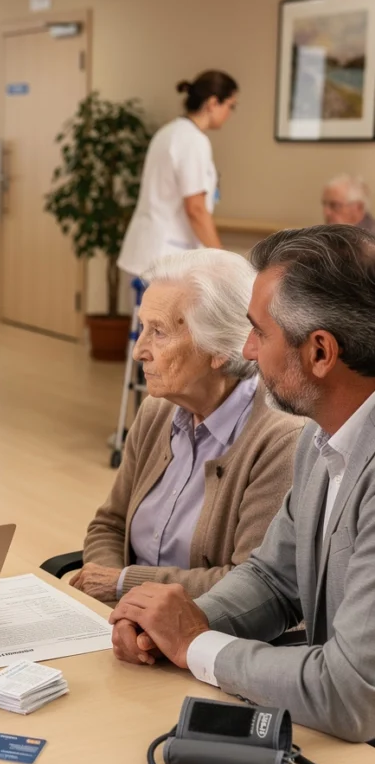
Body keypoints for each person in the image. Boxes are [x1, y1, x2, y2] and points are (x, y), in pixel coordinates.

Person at [111, 225, 375, 743]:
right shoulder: (322, 440)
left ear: (320, 352)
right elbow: (275, 580)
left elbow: (349, 693)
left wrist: (195, 644)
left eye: (259, 332)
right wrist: (168, 626)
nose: (247, 351)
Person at [71, 249, 302, 605]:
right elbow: (109, 525)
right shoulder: (156, 412)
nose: (139, 351)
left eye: (158, 332)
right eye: (142, 328)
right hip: (127, 624)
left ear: (220, 349)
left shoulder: (279, 440)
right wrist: (110, 595)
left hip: (207, 637)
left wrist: (123, 584)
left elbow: (251, 586)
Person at [118, 71, 238, 279]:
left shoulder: (169, 132)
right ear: (212, 103)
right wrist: (224, 261)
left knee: (144, 312)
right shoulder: (193, 140)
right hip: (165, 256)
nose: (230, 113)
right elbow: (196, 209)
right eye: (230, 105)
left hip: (149, 253)